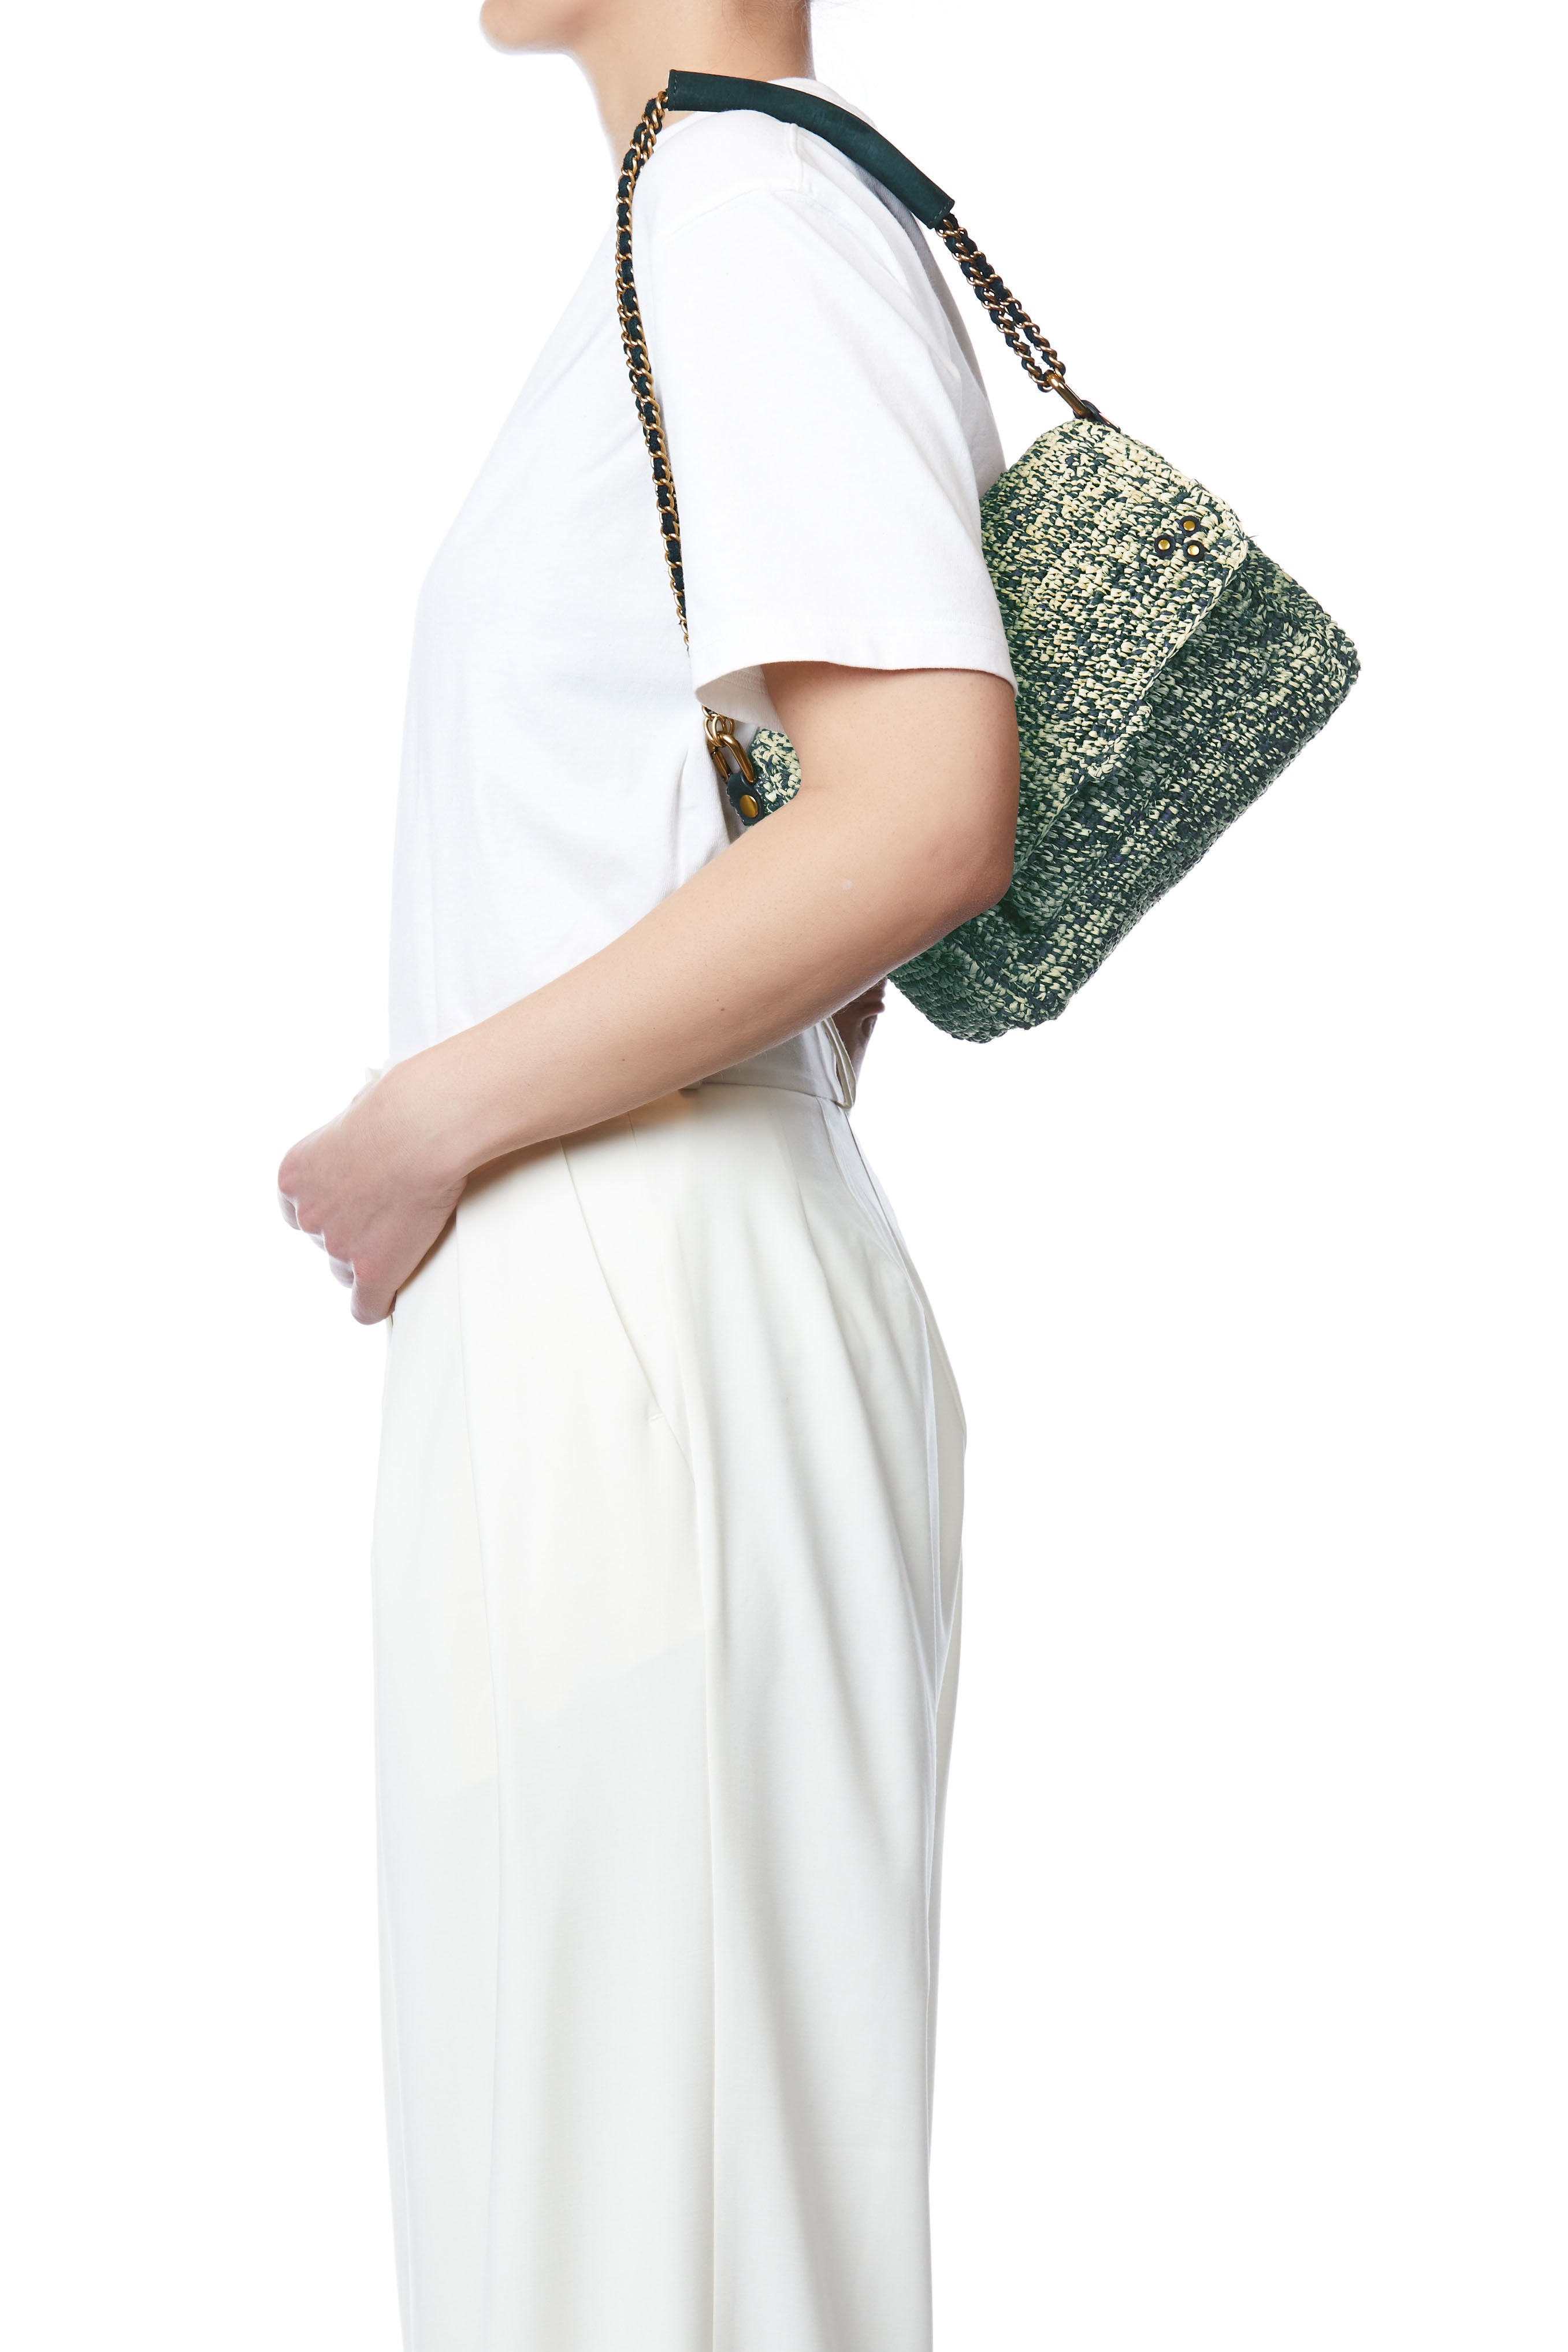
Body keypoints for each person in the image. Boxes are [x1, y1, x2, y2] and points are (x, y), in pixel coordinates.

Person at [277, 0, 1019, 2344]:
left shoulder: (739, 213)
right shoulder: (711, 217)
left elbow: (920, 814)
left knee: (631, 2227)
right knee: (608, 2206)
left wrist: (421, 1125)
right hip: (626, 1275)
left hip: (632, 1289)